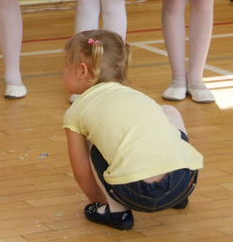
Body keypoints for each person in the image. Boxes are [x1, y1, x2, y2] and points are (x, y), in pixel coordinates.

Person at [62, 29, 202, 231]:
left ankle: (117, 211)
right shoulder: (136, 95)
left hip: (136, 193)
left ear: (83, 71)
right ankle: (179, 198)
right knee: (169, 111)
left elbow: (81, 172)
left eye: (67, 66)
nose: (64, 71)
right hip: (183, 182)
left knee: (92, 141)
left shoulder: (75, 112)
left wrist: (99, 203)